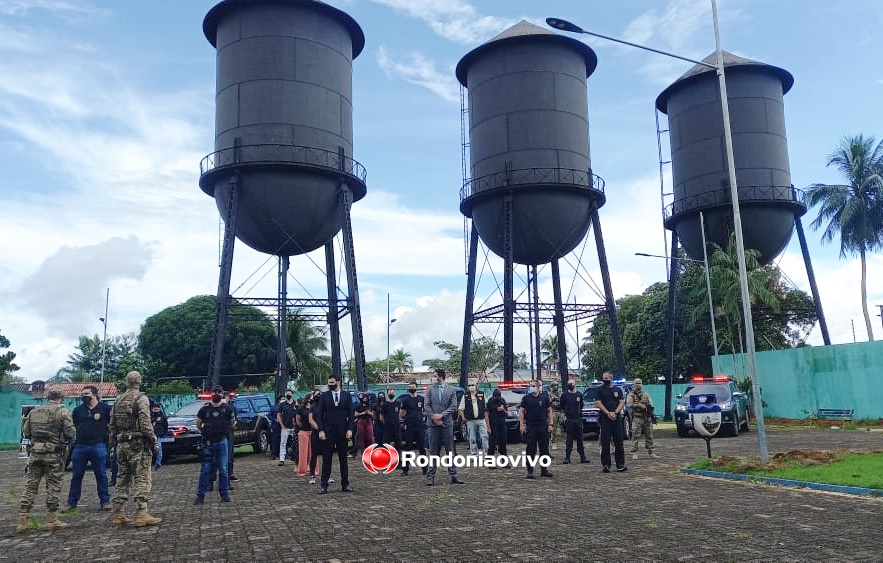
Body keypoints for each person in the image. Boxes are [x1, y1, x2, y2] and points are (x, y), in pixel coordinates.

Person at [17, 385, 76, 533]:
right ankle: (52, 519)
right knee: (53, 487)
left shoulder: (34, 411)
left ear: (47, 396)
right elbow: (70, 433)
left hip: (35, 453)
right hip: (53, 455)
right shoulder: (63, 412)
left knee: (30, 486)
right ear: (61, 397)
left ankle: (23, 520)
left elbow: (26, 432)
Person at [109, 371, 162, 526]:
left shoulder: (118, 399)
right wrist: (153, 440)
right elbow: (145, 422)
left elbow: (112, 423)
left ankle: (118, 513)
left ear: (127, 382)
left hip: (121, 443)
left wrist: (113, 441)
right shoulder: (141, 398)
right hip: (137, 444)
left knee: (122, 478)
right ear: (139, 381)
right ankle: (141, 512)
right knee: (142, 477)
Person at [65, 385, 112, 512]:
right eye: (83, 394)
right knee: (76, 476)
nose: (84, 396)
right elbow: (73, 426)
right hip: (80, 446)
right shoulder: (78, 410)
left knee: (101, 475)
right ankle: (71, 503)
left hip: (98, 445)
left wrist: (109, 438)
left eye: (87, 394)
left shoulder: (105, 409)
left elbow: (112, 424)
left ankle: (105, 501)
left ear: (95, 394)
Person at [314, 374, 355, 494]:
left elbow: (351, 413)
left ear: (338, 382)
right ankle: (324, 485)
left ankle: (345, 484)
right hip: (328, 432)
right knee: (327, 459)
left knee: (343, 459)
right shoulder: (324, 396)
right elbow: (319, 414)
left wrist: (350, 429)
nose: (330, 385)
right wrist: (321, 430)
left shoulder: (346, 395)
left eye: (332, 382)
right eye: (329, 383)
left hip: (343, 431)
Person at [194, 386, 233, 504]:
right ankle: (200, 496)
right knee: (205, 470)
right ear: (211, 394)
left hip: (222, 441)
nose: (216, 394)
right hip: (208, 442)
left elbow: (232, 422)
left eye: (219, 392)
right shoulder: (204, 409)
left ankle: (224, 495)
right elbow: (198, 424)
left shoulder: (227, 409)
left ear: (222, 394)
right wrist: (205, 433)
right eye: (215, 392)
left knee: (223, 470)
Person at [424, 369, 463, 486]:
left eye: (435, 376)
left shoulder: (451, 390)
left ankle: (454, 475)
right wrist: (434, 417)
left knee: (450, 450)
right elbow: (426, 406)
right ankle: (430, 477)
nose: (434, 378)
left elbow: (454, 406)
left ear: (441, 377)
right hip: (433, 424)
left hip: (447, 424)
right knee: (433, 451)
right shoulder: (430, 390)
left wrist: (442, 415)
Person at [518, 379, 554, 479]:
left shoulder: (544, 397)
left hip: (543, 426)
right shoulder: (526, 398)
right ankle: (530, 471)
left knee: (544, 449)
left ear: (538, 387)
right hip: (531, 427)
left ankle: (544, 470)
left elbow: (549, 411)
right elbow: (521, 411)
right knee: (530, 450)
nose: (531, 387)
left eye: (533, 386)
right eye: (530, 386)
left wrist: (551, 424)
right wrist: (522, 424)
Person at [595, 371, 627, 473]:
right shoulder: (600, 390)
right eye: (603, 378)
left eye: (606, 378)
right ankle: (606, 465)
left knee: (619, 442)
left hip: (616, 418)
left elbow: (622, 402)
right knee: (605, 442)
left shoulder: (618, 390)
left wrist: (615, 412)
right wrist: (608, 413)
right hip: (605, 418)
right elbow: (598, 403)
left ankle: (620, 464)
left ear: (611, 378)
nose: (604, 380)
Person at [398, 381, 426, 476]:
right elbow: (401, 413)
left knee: (422, 448)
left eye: (413, 387)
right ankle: (405, 469)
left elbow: (425, 411)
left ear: (416, 387)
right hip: (409, 426)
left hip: (419, 426)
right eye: (410, 387)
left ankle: (425, 469)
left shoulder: (421, 398)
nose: (411, 388)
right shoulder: (405, 400)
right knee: (408, 448)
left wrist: (421, 415)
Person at [626, 378, 657, 460]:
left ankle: (651, 452)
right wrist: (639, 405)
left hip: (647, 418)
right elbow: (629, 404)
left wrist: (649, 409)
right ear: (634, 384)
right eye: (636, 383)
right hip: (637, 418)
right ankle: (634, 452)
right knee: (635, 436)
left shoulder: (645, 394)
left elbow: (651, 404)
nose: (638, 384)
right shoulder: (631, 395)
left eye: (639, 383)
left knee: (649, 435)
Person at [559, 381, 588, 464]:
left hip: (578, 419)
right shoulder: (564, 395)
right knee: (569, 439)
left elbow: (581, 405)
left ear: (575, 385)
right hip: (569, 419)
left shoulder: (579, 394)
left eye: (571, 384)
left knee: (580, 439)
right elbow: (562, 405)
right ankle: (567, 457)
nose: (570, 385)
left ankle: (583, 457)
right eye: (569, 384)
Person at [458, 383, 488, 455]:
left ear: (476, 386)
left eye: (473, 385)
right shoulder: (465, 396)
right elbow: (461, 409)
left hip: (481, 419)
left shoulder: (481, 394)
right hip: (470, 421)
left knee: (485, 436)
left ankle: (487, 453)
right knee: (472, 438)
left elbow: (486, 407)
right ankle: (474, 454)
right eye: (469, 385)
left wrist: (486, 418)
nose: (471, 387)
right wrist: (463, 418)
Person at [484, 388, 508, 460]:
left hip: (502, 424)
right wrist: (488, 427)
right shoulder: (490, 402)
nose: (496, 398)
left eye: (498, 397)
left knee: (503, 443)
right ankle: (489, 460)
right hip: (493, 425)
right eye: (495, 397)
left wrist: (503, 409)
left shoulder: (502, 401)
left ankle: (504, 460)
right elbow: (486, 414)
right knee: (492, 443)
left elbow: (507, 413)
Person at [306, 391, 324, 484]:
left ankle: (327, 475)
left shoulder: (326, 406)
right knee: (314, 455)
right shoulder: (313, 407)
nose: (319, 396)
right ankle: (312, 475)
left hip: (326, 433)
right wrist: (319, 429)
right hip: (316, 433)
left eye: (320, 394)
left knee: (327, 455)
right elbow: (311, 420)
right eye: (317, 394)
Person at [296, 395, 315, 477]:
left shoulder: (315, 408)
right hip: (303, 431)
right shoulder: (301, 409)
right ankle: (302, 470)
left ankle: (313, 469)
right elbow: (298, 420)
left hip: (313, 432)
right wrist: (302, 427)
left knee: (313, 452)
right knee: (303, 453)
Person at [277, 391, 296, 466]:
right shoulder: (282, 404)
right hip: (285, 427)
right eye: (287, 394)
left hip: (294, 427)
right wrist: (281, 424)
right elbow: (278, 415)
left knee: (296, 443)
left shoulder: (296, 404)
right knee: (283, 443)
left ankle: (296, 458)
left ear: (292, 395)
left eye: (289, 394)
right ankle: (281, 459)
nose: (288, 395)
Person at [354, 392, 375, 457]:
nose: (365, 400)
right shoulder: (358, 405)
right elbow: (355, 414)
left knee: (370, 437)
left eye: (366, 398)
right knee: (361, 437)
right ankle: (363, 452)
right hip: (361, 421)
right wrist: (362, 413)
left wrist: (369, 413)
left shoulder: (370, 405)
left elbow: (374, 415)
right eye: (364, 398)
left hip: (369, 421)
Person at [150, 400, 168, 471]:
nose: (156, 410)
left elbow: (166, 426)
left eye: (157, 409)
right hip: (150, 435)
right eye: (155, 409)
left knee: (159, 450)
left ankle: (158, 464)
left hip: (158, 436)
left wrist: (163, 433)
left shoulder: (163, 417)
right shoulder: (150, 416)